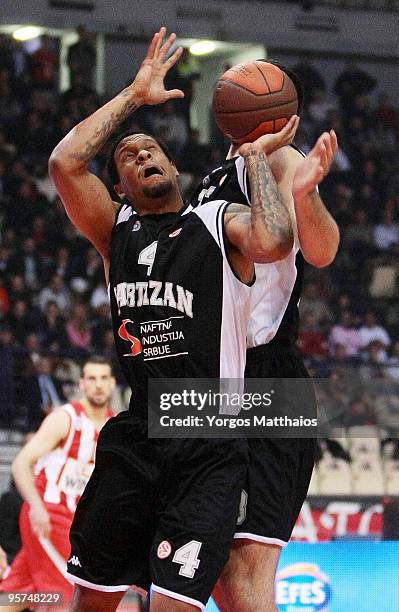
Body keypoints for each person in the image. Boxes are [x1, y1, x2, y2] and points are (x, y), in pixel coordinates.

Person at [48, 27, 302, 612]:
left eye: (151, 150)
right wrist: (135, 95)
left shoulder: (216, 220)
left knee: (177, 605)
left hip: (211, 437)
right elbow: (65, 161)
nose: (142, 156)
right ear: (120, 186)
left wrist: (258, 159)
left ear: (172, 165)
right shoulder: (114, 232)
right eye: (128, 158)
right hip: (139, 433)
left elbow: (272, 239)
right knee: (92, 600)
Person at [188, 60, 339, 611]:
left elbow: (322, 250)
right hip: (212, 380)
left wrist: (306, 194)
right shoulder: (212, 179)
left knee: (246, 571)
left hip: (265, 376)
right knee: (218, 567)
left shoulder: (279, 157)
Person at [0, 356, 115, 609]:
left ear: (113, 383)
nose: (98, 385)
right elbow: (21, 463)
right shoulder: (66, 418)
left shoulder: (113, 425)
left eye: (104, 378)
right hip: (50, 517)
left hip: (76, 523)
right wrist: (36, 506)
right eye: (92, 378)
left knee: (18, 596)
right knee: (67, 596)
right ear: (82, 383)